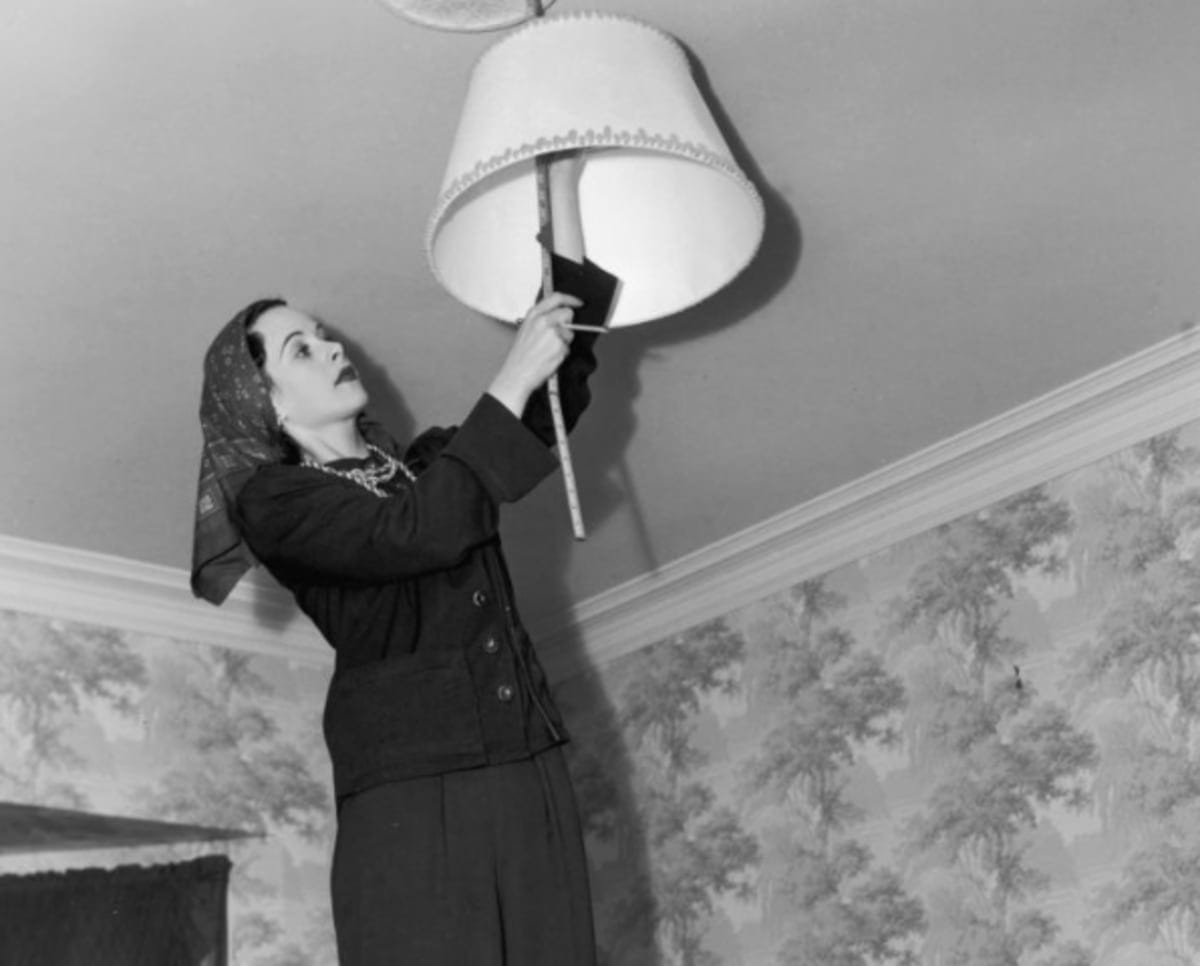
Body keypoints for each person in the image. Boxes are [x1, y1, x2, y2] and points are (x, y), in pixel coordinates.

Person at [189, 154, 618, 965]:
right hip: (413, 789)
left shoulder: (429, 463)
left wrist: (559, 184)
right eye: (300, 350)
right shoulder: (277, 502)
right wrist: (510, 375)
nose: (330, 346)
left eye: (323, 334)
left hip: (525, 761)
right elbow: (417, 533)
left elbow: (556, 392)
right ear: (267, 403)